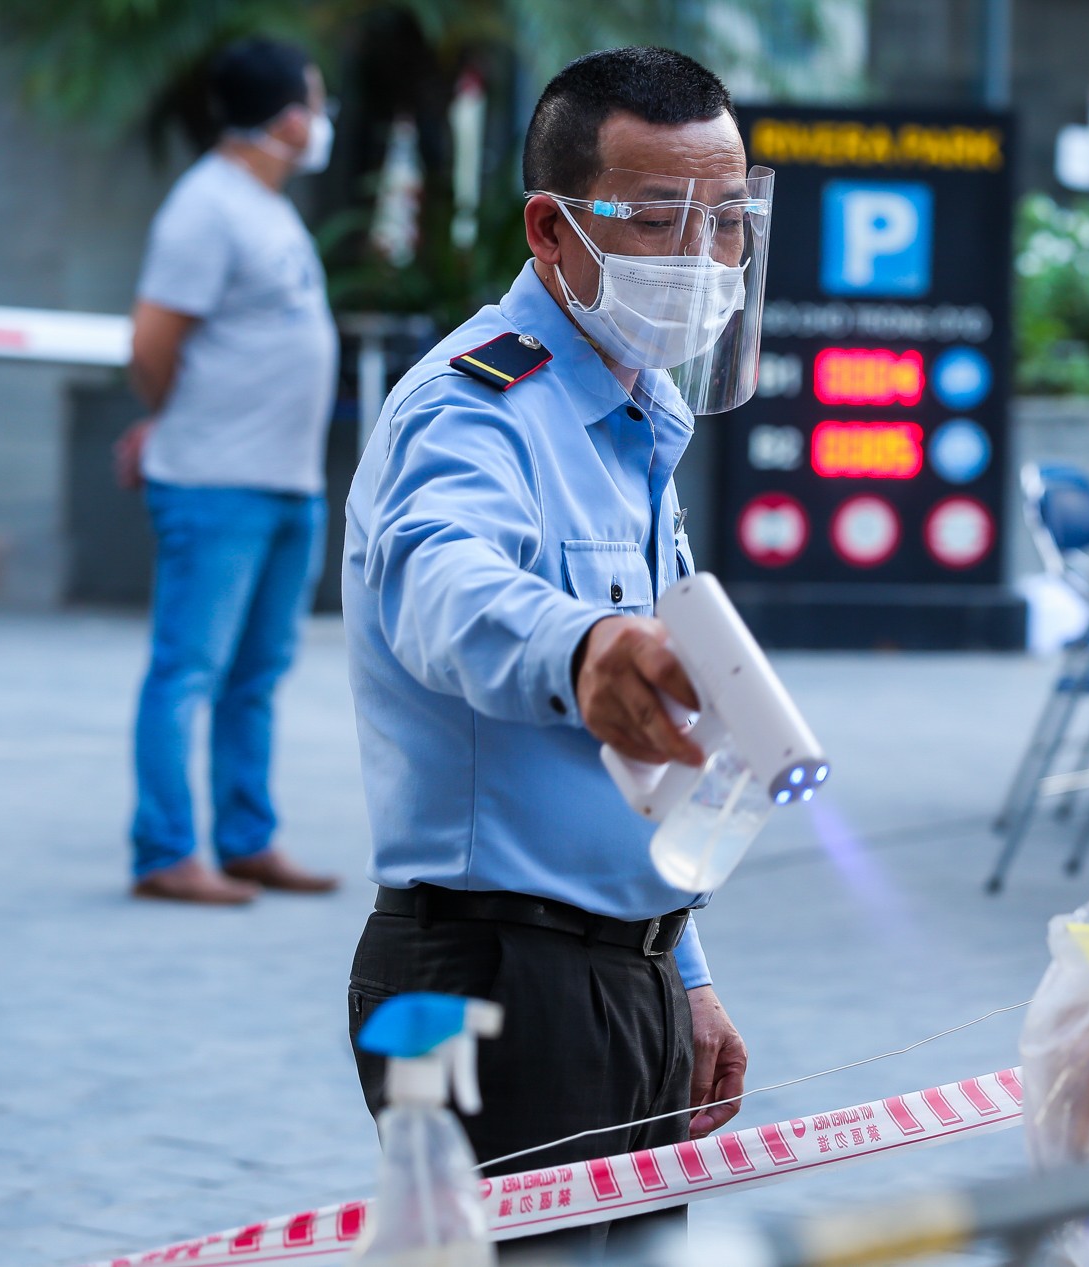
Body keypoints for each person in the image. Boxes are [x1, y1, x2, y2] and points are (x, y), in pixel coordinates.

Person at [341, 46, 772, 1260]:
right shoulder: (473, 408)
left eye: (728, 220)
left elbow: (645, 753)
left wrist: (678, 965)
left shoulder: (635, 416)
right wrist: (579, 644)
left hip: (616, 974)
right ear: (552, 228)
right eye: (654, 217)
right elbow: (438, 581)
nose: (701, 256)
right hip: (494, 976)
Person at [119, 37, 342, 904]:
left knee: (256, 675)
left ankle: (246, 837)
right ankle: (165, 850)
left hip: (285, 484)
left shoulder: (265, 206)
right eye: (317, 104)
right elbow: (151, 344)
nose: (323, 121)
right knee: (188, 671)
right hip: (216, 483)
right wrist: (173, 422)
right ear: (290, 119)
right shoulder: (204, 209)